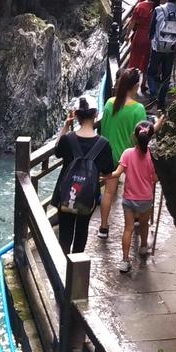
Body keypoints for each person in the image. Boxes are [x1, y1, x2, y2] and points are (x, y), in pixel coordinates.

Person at [52, 97, 113, 253]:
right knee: (81, 232)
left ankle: (62, 270)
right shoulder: (103, 144)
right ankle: (76, 270)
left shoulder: (68, 139)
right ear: (95, 114)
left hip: (65, 195)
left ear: (76, 115)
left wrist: (66, 126)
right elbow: (108, 172)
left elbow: (57, 152)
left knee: (64, 235)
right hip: (88, 196)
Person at [102, 118, 164, 272]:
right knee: (143, 224)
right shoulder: (153, 155)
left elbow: (117, 173)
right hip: (145, 198)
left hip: (129, 198)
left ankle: (124, 260)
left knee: (128, 229)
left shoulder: (127, 153)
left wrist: (105, 176)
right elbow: (155, 178)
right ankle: (143, 247)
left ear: (134, 136)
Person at [97, 67, 147, 237]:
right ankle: (138, 218)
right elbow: (141, 134)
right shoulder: (138, 109)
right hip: (129, 156)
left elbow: (103, 128)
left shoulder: (110, 103)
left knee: (108, 193)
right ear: (135, 86)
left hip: (108, 154)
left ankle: (103, 227)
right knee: (135, 189)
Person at [147, 0, 176, 109]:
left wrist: (151, 38)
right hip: (171, 49)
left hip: (157, 46)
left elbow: (152, 28)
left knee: (151, 72)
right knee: (166, 75)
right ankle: (162, 100)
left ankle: (153, 92)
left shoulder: (158, 10)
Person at [127, 0, 161, 94]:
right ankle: (143, 84)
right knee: (146, 61)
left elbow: (132, 23)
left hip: (139, 36)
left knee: (134, 60)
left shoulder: (140, 6)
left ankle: (131, 84)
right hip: (151, 38)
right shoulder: (158, 8)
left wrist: (127, 35)